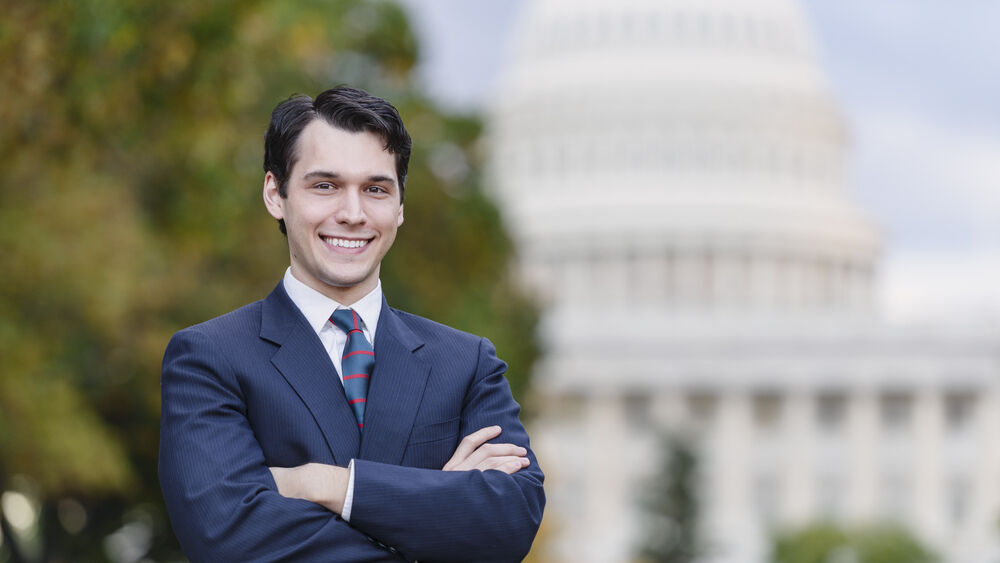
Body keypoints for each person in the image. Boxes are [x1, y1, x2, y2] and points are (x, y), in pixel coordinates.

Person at [158, 86, 544, 562]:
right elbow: (230, 539)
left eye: (376, 189)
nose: (353, 214)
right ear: (275, 194)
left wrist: (326, 484)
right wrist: (437, 504)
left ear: (400, 206)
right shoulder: (209, 359)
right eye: (325, 186)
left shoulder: (466, 364)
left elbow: (512, 521)